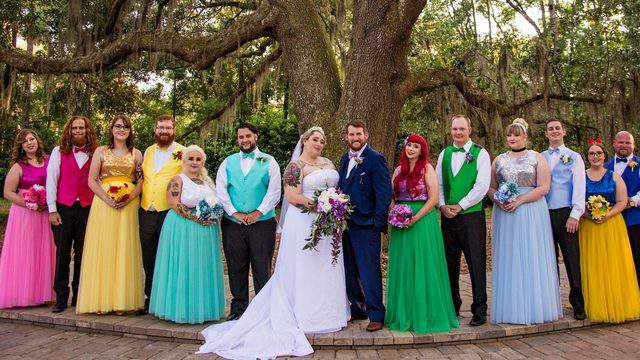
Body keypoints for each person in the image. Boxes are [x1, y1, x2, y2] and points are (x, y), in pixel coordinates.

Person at [199, 127, 349, 359]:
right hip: (304, 222)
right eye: (315, 139)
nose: (319, 143)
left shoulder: (328, 162)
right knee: (303, 268)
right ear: (305, 141)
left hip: (327, 226)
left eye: (322, 140)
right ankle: (298, 312)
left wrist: (334, 205)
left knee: (323, 268)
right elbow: (291, 197)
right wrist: (320, 205)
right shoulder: (295, 166)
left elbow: (332, 189)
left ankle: (328, 312)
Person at [489, 118, 562, 325]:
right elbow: (491, 186)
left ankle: (534, 306)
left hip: (531, 211)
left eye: (516, 135)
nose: (512, 138)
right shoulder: (499, 160)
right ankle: (510, 307)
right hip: (506, 214)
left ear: (525, 137)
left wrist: (520, 199)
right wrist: (498, 200)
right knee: (510, 256)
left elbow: (543, 188)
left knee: (531, 254)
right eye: (509, 135)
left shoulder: (537, 158)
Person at [385, 133, 458, 333]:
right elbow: (392, 196)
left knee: (424, 265)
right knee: (405, 266)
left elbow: (434, 198)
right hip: (401, 223)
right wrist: (394, 214)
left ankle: (426, 314)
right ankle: (404, 313)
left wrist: (415, 218)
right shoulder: (398, 170)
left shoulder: (427, 168)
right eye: (409, 145)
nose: (411, 149)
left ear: (421, 150)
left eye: (416, 147)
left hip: (423, 221)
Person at [76, 114, 145, 314]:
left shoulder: (137, 154)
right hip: (103, 205)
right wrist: (108, 199)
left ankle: (122, 302)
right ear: (112, 129)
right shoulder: (100, 151)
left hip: (128, 207)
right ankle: (101, 301)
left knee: (125, 249)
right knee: (104, 249)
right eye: (117, 126)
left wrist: (129, 198)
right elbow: (91, 180)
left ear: (130, 131)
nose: (121, 129)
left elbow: (140, 181)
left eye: (125, 127)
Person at [149, 145, 225, 324]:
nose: (194, 162)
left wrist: (213, 215)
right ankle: (180, 309)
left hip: (206, 230)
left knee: (201, 267)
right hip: (183, 227)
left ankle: (203, 309)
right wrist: (196, 217)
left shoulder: (207, 182)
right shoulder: (178, 179)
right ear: (184, 161)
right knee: (184, 265)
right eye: (191, 159)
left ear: (202, 162)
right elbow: (173, 202)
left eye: (198, 159)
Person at [215, 122, 281, 321]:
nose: (244, 140)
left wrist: (258, 212)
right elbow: (221, 190)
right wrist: (234, 212)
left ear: (256, 136)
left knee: (262, 265)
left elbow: (275, 191)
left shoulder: (269, 162)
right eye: (241, 137)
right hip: (232, 223)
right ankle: (238, 308)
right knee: (236, 265)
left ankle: (262, 309)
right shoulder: (228, 162)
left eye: (248, 136)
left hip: (262, 223)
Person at [435, 114, 490, 326]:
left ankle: (479, 309)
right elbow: (439, 184)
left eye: (462, 129)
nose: (458, 133)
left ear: (469, 130)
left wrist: (461, 205)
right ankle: (452, 305)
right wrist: (442, 205)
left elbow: (482, 186)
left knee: (476, 262)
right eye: (455, 129)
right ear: (451, 130)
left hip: (472, 216)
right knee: (450, 263)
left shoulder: (480, 153)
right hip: (448, 217)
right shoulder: (445, 154)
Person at [338, 121, 392, 332]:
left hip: (367, 225)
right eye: (351, 134)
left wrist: (376, 224)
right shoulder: (344, 159)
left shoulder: (375, 159)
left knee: (369, 271)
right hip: (345, 226)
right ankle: (358, 307)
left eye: (358, 134)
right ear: (346, 137)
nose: (355, 138)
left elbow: (384, 193)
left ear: (366, 135)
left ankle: (376, 314)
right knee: (350, 270)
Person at [581, 140, 640, 322]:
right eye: (592, 154)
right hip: (589, 226)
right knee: (594, 263)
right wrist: (590, 215)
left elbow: (622, 201)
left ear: (604, 155)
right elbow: (576, 200)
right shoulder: (581, 176)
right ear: (587, 157)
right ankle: (597, 302)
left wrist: (607, 215)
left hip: (612, 224)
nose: (595, 156)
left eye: (598, 153)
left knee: (614, 263)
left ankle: (617, 300)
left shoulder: (614, 176)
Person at [46, 115, 98, 313]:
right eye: (74, 128)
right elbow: (51, 180)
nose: (78, 131)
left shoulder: (96, 152)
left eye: (81, 128)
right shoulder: (58, 152)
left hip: (87, 208)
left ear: (87, 130)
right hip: (64, 208)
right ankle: (60, 296)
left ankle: (79, 295)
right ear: (69, 130)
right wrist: (52, 210)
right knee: (62, 254)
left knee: (85, 254)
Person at [0, 130, 55, 308]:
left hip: (45, 213)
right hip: (24, 214)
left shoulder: (49, 161)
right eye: (25, 142)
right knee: (26, 252)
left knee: (44, 251)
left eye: (32, 139)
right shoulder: (18, 166)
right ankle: (23, 294)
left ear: (37, 140)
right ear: (21, 147)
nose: (30, 143)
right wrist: (29, 202)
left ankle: (44, 293)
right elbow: (8, 192)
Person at [542, 119, 586, 320]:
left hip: (565, 214)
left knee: (571, 259)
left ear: (564, 132)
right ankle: (551, 303)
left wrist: (575, 214)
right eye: (550, 129)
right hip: (543, 214)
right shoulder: (539, 157)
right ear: (546, 134)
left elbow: (579, 187)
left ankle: (578, 304)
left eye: (557, 128)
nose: (554, 131)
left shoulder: (574, 157)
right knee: (548, 260)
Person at [139, 114, 183, 313]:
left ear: (174, 130)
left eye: (168, 128)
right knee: (148, 256)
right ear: (155, 130)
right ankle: (150, 297)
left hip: (169, 211)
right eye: (160, 128)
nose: (164, 131)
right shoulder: (147, 151)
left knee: (168, 255)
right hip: (147, 210)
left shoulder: (182, 152)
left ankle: (168, 297)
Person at [606, 131, 640, 285]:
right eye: (621, 142)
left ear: (633, 145)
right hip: (612, 220)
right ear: (614, 143)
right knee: (616, 259)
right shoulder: (605, 166)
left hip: (635, 219)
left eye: (628, 143)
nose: (624, 145)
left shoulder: (639, 164)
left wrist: (632, 201)